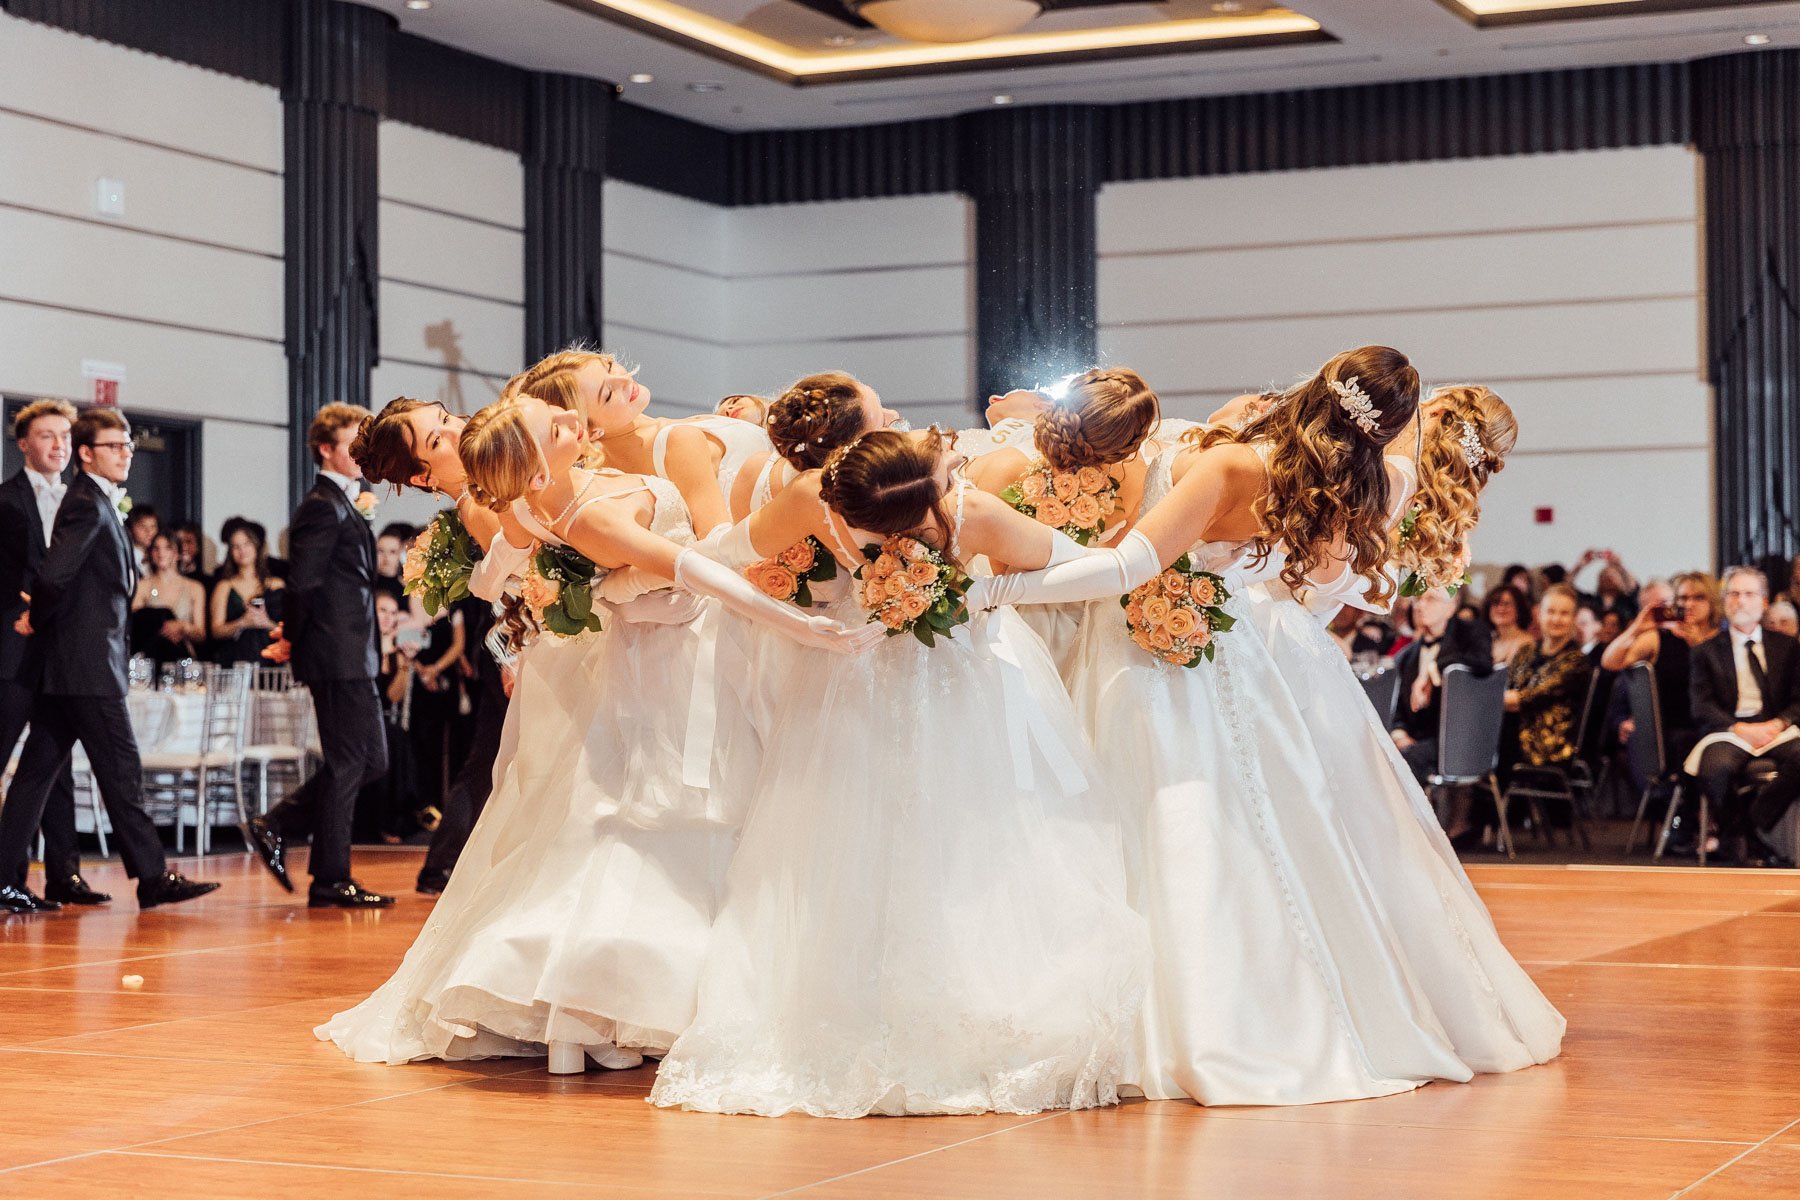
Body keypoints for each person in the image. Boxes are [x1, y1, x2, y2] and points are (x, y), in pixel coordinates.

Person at [970, 348, 1563, 1104]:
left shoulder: (1234, 466)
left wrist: (998, 590)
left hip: (1162, 663)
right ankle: (1261, 1009)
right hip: (1240, 663)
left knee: (1156, 828)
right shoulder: (1344, 481)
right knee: (1251, 834)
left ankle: (1172, 1029)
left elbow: (1126, 568)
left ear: (1319, 385)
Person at [318, 393, 876, 1073]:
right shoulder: (550, 503)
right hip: (656, 646)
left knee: (623, 807)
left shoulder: (537, 494)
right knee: (630, 811)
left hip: (663, 643)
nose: (562, 416)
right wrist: (789, 621)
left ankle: (603, 1011)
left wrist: (567, 591)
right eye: (436, 440)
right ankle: (609, 999)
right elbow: (681, 566)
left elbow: (508, 575)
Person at [651, 428, 1146, 1117]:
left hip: (969, 680)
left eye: (912, 528)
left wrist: (986, 591)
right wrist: (792, 619)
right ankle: (837, 1015)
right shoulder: (810, 500)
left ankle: (977, 1011)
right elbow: (720, 556)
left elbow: (1086, 566)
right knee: (844, 848)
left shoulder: (969, 507)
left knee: (970, 850)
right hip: (848, 682)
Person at [0, 408, 217, 913]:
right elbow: (53, 578)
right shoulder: (87, 505)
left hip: (75, 667)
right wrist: (38, 618)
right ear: (87, 453)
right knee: (121, 770)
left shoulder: (94, 501)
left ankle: (5, 876)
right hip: (87, 666)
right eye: (116, 446)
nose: (126, 454)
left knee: (37, 774)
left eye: (128, 446)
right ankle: (153, 876)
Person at [245, 403, 393, 909]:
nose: (362, 454)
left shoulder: (345, 502)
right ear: (326, 448)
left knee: (370, 761)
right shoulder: (319, 505)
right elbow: (303, 584)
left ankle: (278, 824)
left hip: (353, 651)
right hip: (336, 652)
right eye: (353, 443)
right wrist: (295, 637)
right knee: (352, 762)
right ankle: (330, 877)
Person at [0, 399, 99, 907]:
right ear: (24, 443)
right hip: (13, 652)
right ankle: (9, 876)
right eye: (46, 435)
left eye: (64, 435)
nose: (58, 444)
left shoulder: (82, 498)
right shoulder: (5, 500)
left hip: (62, 651)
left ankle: (65, 874)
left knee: (54, 762)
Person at [1685, 566, 1800, 867]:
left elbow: (1799, 699)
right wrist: (1739, 728)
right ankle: (1740, 838)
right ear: (1724, 602)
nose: (1740, 601)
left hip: (1776, 727)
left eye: (1749, 594)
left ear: (1763, 602)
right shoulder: (1705, 651)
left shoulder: (1786, 646)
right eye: (1734, 594)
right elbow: (1701, 706)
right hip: (1729, 729)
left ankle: (1754, 822)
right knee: (1716, 768)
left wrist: (1779, 723)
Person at [1501, 584, 1592, 790]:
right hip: (1514, 732)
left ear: (1573, 618)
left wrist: (1487, 700)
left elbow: (1528, 698)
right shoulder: (1526, 650)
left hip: (1548, 745)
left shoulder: (1576, 661)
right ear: (1539, 614)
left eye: (1564, 613)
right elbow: (1507, 687)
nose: (1556, 619)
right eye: (1550, 612)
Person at [208, 518, 283, 665]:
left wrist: (266, 623)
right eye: (236, 546)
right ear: (230, 551)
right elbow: (216, 630)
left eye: (246, 544)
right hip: (235, 659)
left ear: (256, 546)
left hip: (271, 659)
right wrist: (242, 622)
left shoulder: (276, 584)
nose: (242, 550)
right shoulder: (224, 586)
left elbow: (289, 629)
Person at [131, 531, 206, 664]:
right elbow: (135, 626)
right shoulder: (142, 586)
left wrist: (182, 626)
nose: (161, 553)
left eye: (167, 548)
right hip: (150, 659)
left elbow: (200, 633)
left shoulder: (194, 587)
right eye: (156, 548)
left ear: (177, 553)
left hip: (184, 659)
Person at [1483, 584, 1533, 667]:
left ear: (1519, 609)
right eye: (1496, 603)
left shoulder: (1526, 643)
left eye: (1507, 604)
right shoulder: (1488, 641)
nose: (1501, 609)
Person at [373, 521, 416, 606]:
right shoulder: (366, 584)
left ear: (400, 554)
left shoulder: (407, 589)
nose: (386, 557)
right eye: (381, 551)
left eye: (392, 552)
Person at [124, 504, 159, 575]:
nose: (149, 532)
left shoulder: (158, 555)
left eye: (153, 526)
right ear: (130, 529)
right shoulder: (125, 557)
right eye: (143, 526)